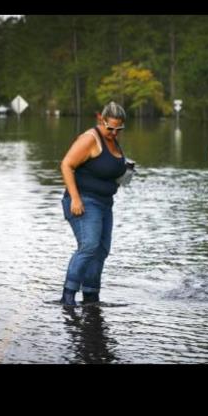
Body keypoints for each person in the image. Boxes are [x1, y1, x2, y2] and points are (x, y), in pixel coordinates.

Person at [59, 103, 129, 306]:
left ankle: (90, 296)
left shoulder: (114, 141)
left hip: (105, 203)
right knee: (89, 246)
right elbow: (66, 165)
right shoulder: (90, 138)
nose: (114, 133)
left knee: (101, 250)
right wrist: (75, 198)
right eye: (110, 128)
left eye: (119, 129)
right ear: (102, 120)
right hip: (84, 201)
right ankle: (68, 296)